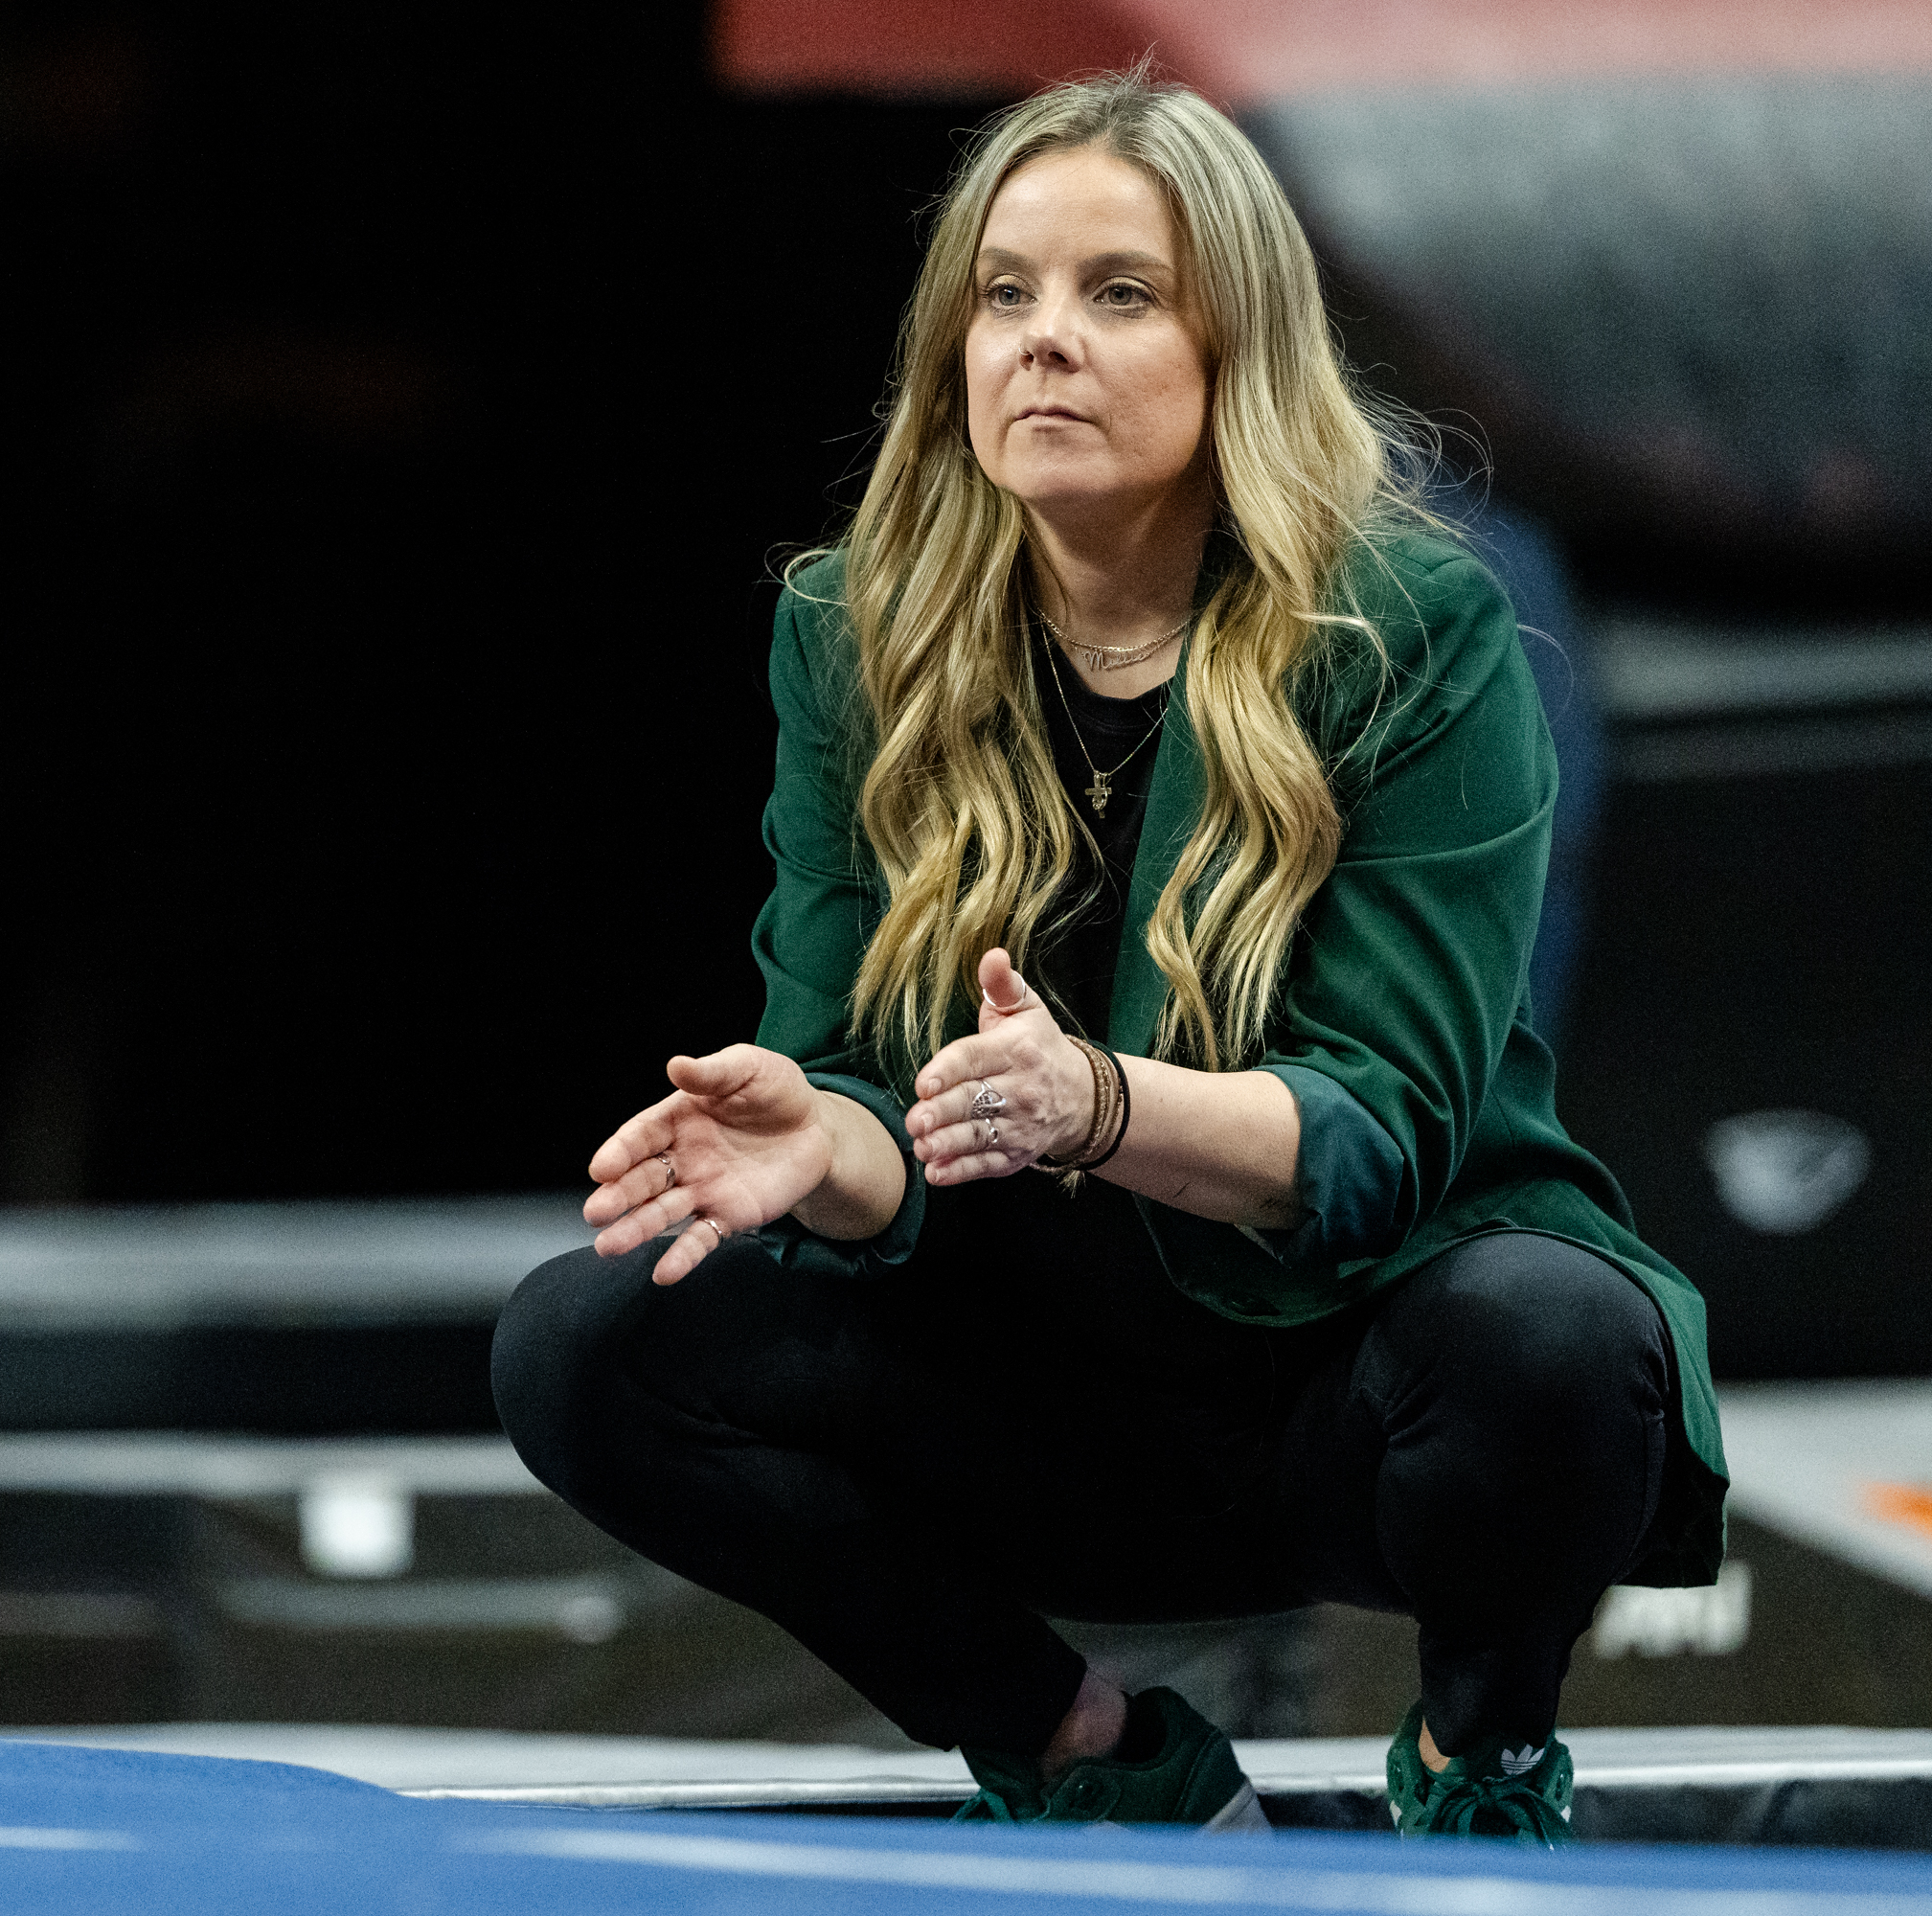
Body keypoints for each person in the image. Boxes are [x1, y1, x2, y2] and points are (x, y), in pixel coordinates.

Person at [491, 68, 1722, 1843]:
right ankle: (1081, 1753)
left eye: (1117, 294)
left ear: (1239, 350)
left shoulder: (1413, 626)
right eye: (1006, 295)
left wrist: (1095, 1102)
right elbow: (847, 1080)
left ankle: (1480, 1756)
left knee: (1555, 1334)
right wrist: (816, 1147)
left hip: (1340, 1399)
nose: (1043, 342)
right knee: (586, 1341)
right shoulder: (858, 630)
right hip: (1021, 1404)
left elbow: (1387, 1139)